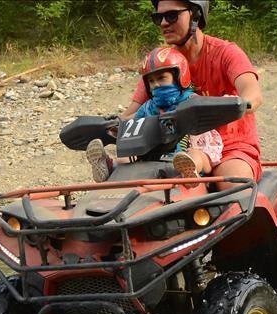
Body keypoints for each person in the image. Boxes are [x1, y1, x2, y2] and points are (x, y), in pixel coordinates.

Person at [120, 0, 263, 191]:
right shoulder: (162, 64)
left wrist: (237, 104)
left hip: (230, 148)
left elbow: (252, 93)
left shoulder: (226, 53)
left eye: (171, 15)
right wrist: (110, 126)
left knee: (233, 185)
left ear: (195, 15)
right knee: (124, 182)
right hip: (173, 150)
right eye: (158, 17)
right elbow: (133, 113)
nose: (163, 23)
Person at [87, 46, 223, 188]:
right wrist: (116, 128)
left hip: (187, 149)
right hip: (152, 156)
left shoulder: (192, 102)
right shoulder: (148, 107)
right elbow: (133, 125)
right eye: (151, 81)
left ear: (179, 76)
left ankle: (189, 171)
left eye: (161, 78)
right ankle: (109, 166)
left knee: (196, 155)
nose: (156, 85)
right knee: (127, 158)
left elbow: (208, 116)